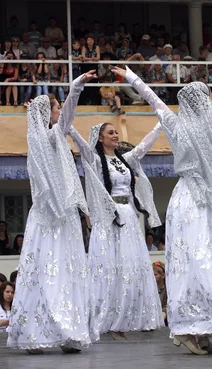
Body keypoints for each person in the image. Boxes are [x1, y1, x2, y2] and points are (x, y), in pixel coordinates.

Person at [110, 58, 212, 355]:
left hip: (200, 199)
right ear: (201, 100)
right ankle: (188, 325)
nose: (210, 101)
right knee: (200, 262)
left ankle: (201, 325)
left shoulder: (183, 122)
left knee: (206, 261)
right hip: (196, 200)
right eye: (206, 96)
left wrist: (132, 77)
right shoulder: (204, 121)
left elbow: (153, 98)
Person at [8, 71, 96, 354]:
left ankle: (67, 332)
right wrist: (76, 88)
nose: (60, 112)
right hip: (50, 216)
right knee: (47, 273)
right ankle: (38, 331)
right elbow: (68, 117)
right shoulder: (44, 137)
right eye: (56, 107)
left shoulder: (50, 138)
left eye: (59, 107)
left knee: (64, 273)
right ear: (48, 113)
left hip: (63, 215)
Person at [68, 118, 164, 341]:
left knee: (129, 266)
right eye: (110, 133)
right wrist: (69, 125)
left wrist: (160, 125)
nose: (115, 135)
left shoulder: (124, 160)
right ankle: (107, 320)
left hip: (128, 216)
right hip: (108, 217)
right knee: (109, 266)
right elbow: (81, 144)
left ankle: (127, 318)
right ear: (100, 138)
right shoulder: (94, 159)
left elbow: (142, 148)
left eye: (115, 133)